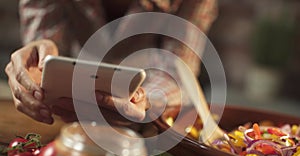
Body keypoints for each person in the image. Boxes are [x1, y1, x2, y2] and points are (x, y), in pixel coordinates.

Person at [5, 0, 218, 124]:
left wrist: (146, 102)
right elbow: (45, 40)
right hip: (64, 121)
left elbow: (178, 69)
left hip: (146, 127)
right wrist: (36, 62)